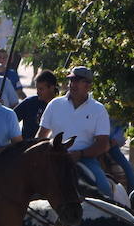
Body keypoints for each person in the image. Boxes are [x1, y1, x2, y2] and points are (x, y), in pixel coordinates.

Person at [38, 66, 116, 199]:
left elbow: (103, 144)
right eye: (71, 80)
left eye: (77, 81)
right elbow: (41, 136)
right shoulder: (55, 104)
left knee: (105, 191)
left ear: (88, 85)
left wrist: (80, 154)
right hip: (54, 157)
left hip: (86, 159)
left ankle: (111, 211)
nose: (72, 84)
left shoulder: (98, 109)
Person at [16, 70, 60, 140]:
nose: (37, 92)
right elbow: (11, 120)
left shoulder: (60, 106)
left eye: (41, 89)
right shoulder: (29, 103)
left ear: (52, 88)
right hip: (25, 147)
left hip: (49, 148)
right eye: (37, 88)